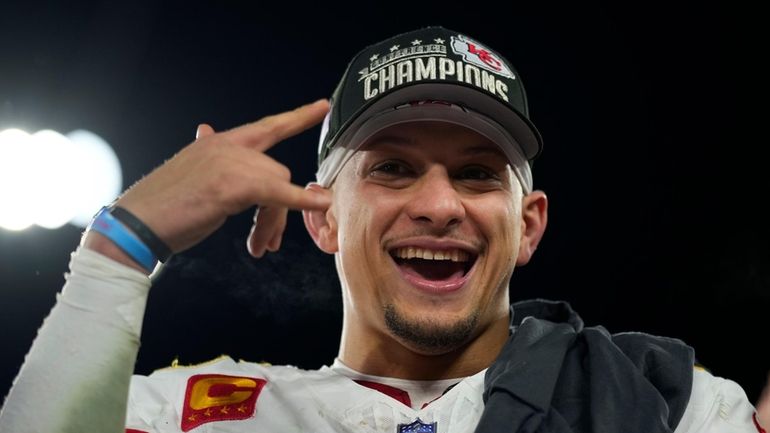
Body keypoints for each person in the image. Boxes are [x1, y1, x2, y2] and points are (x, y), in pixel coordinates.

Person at [0, 26, 766, 433]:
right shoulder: (186, 412)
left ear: (528, 226)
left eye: (476, 173)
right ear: (325, 215)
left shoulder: (668, 405)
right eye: (393, 169)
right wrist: (121, 247)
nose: (439, 205)